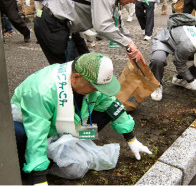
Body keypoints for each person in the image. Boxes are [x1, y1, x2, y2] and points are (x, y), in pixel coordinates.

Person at [12, 52, 152, 185]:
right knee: (18, 133)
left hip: (64, 124)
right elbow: (36, 133)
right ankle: (27, 167)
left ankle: (55, 151)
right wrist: (39, 178)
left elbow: (111, 104)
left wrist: (131, 139)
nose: (98, 91)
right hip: (30, 123)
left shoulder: (87, 82)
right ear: (76, 78)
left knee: (107, 110)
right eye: (94, 87)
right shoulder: (42, 91)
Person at [34, 0, 152, 65]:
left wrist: (132, 47)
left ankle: (84, 95)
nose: (134, 2)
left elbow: (117, 25)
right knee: (68, 73)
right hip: (51, 23)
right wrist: (128, 44)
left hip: (67, 27)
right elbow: (102, 26)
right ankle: (69, 96)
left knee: (87, 65)